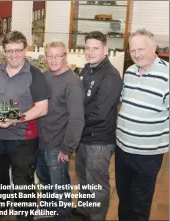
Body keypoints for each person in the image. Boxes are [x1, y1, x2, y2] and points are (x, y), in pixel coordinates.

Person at [0, 30, 50, 221]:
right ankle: (0, 208)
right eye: (9, 51)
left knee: (22, 182)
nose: (14, 55)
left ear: (25, 50)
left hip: (23, 139)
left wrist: (14, 119)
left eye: (18, 50)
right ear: (3, 50)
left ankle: (25, 216)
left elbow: (42, 108)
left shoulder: (35, 74)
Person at [115, 29, 169, 221]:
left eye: (141, 49)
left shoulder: (166, 75)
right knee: (124, 198)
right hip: (122, 149)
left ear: (154, 48)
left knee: (140, 203)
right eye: (132, 50)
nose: (136, 54)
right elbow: (124, 103)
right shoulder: (129, 72)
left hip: (147, 154)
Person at [73, 31, 123, 220]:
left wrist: (74, 122)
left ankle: (96, 217)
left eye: (96, 48)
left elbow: (100, 114)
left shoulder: (110, 76)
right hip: (83, 138)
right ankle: (84, 212)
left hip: (99, 141)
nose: (91, 52)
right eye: (87, 48)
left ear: (105, 49)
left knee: (97, 184)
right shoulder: (86, 69)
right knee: (84, 179)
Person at [37, 40, 85, 220]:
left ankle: (62, 217)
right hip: (42, 141)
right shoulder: (45, 76)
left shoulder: (72, 82)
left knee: (60, 188)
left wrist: (67, 148)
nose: (53, 60)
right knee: (46, 183)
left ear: (66, 56)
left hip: (58, 146)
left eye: (58, 55)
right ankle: (48, 213)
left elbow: (77, 118)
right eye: (50, 56)